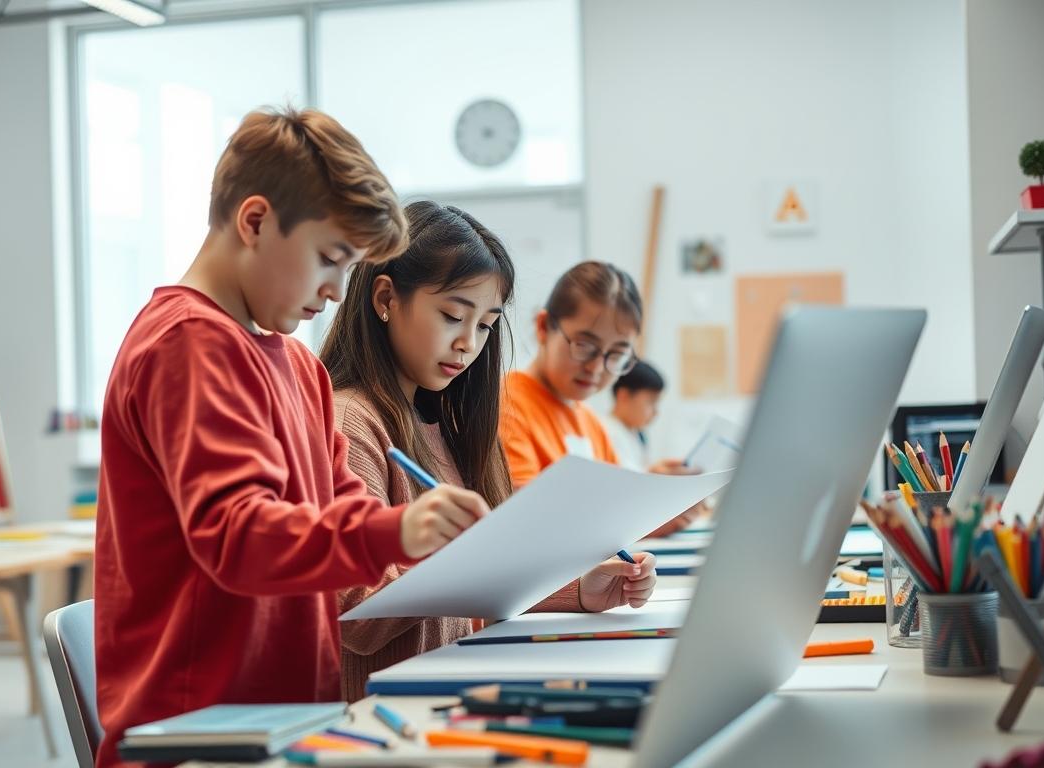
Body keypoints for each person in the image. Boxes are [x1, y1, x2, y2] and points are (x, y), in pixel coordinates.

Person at [93, 108, 489, 767]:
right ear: (254, 222)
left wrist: (413, 526)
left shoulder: (296, 364)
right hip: (199, 735)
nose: (338, 291)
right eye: (330, 260)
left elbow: (340, 511)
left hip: (286, 722)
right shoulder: (189, 344)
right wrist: (397, 534)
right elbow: (237, 534)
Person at [321, 201, 656, 699]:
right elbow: (354, 612)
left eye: (484, 325)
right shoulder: (351, 420)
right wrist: (455, 552)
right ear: (385, 298)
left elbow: (476, 584)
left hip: (446, 693)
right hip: (383, 714)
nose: (468, 344)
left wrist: (580, 589)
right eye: (453, 315)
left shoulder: (440, 423)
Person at [500, 261, 699, 536]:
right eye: (585, 346)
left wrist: (658, 504)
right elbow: (528, 523)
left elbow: (616, 520)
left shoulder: (590, 421)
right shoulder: (508, 405)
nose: (596, 368)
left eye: (616, 355)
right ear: (544, 327)